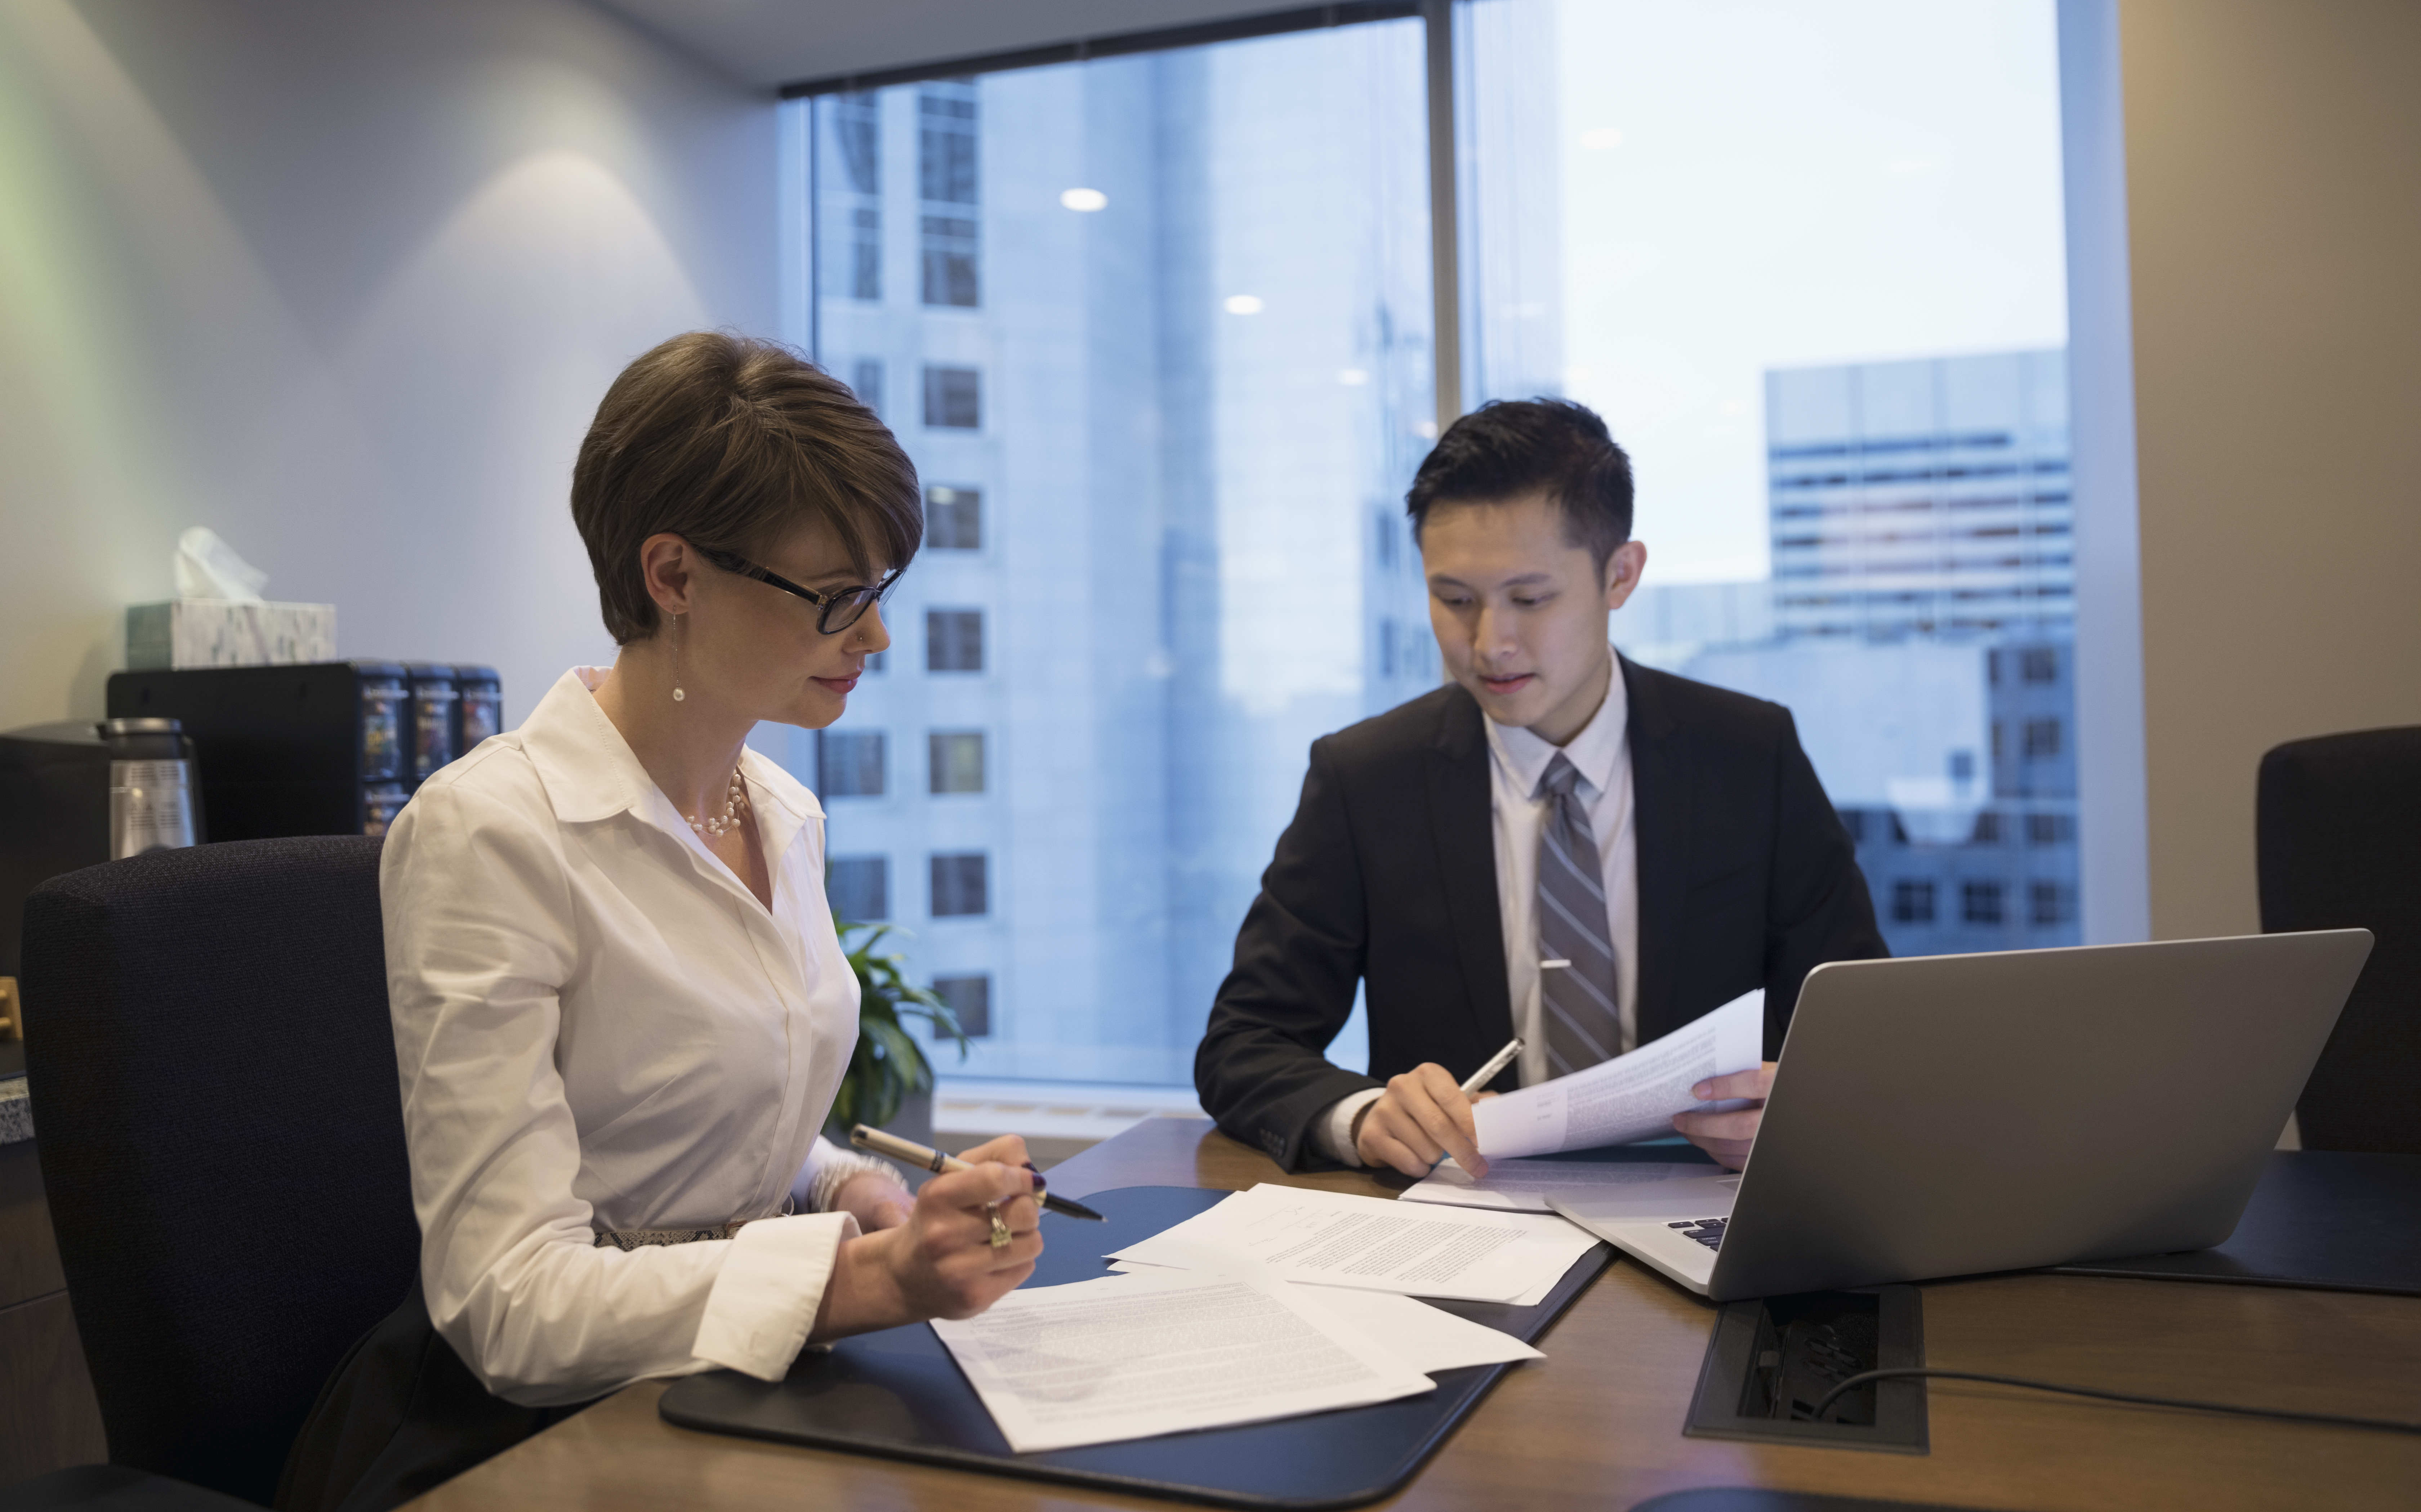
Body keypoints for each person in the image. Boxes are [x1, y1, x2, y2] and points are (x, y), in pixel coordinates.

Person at [280, 334, 1043, 1512]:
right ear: (674, 577)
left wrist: (856, 1195)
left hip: (726, 1396)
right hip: (527, 1444)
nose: (876, 637)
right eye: (838, 597)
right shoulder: (493, 835)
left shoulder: (781, 810)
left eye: (881, 591)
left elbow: (713, 1140)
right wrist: (869, 1281)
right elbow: (512, 1309)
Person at [1194, 398, 1886, 1181]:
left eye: (1530, 598)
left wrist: (1796, 1105)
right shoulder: (1365, 778)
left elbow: (1859, 1032)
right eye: (1455, 599)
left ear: (1620, 575)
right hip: (1463, 1226)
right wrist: (1361, 1117)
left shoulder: (1748, 754)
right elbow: (1245, 1043)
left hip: (1707, 1201)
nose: (1490, 643)